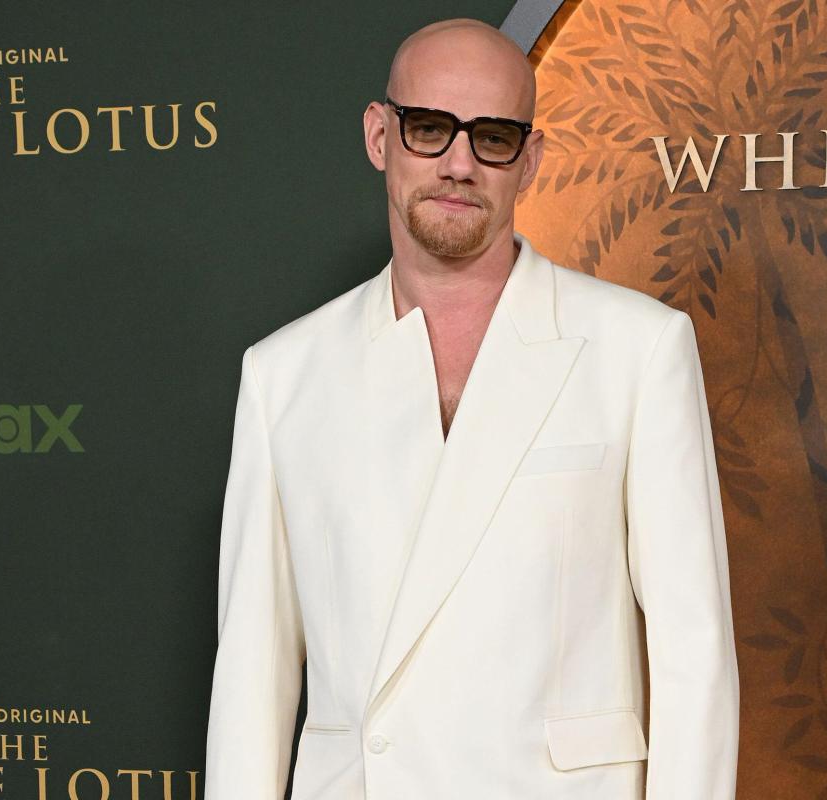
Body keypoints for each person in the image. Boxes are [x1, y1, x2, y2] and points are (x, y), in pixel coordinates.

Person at [204, 17, 738, 800]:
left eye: (492, 138)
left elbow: (695, 652)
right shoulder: (282, 375)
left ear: (530, 160)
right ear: (380, 135)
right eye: (429, 128)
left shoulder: (638, 349)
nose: (459, 165)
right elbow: (253, 674)